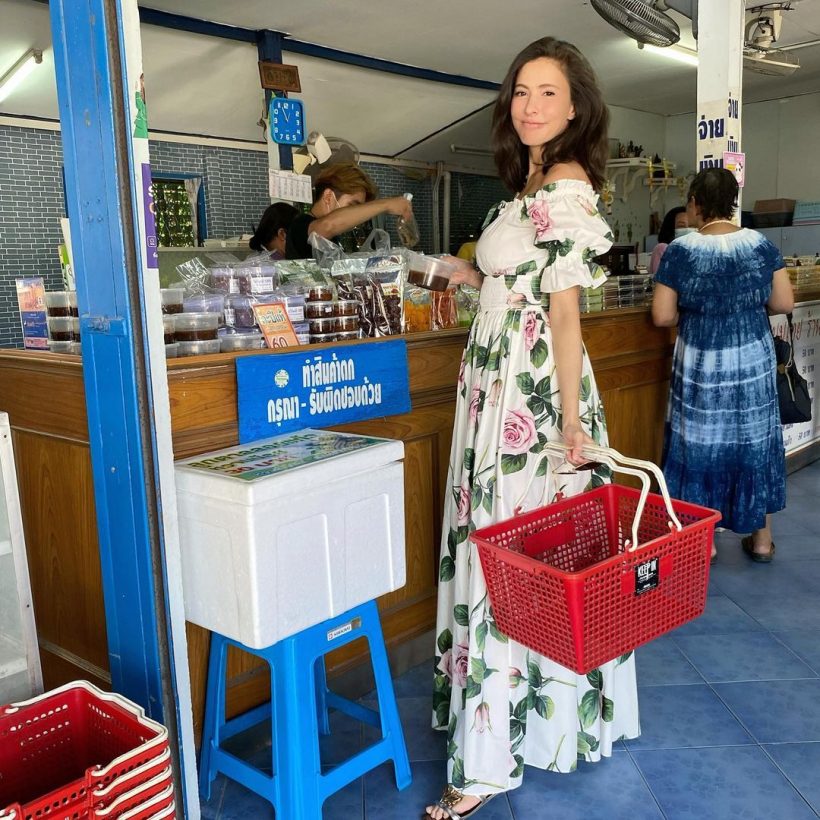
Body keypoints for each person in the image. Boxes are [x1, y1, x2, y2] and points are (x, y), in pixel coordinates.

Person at [425, 37, 640, 820]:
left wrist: (573, 424)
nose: (530, 105)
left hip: (530, 390)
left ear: (576, 106)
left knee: (511, 556)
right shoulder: (530, 182)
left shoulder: (568, 184)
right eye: (521, 90)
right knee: (522, 553)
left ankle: (487, 762)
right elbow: (514, 277)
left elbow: (565, 311)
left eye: (547, 92)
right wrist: (464, 273)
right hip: (496, 381)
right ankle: (535, 722)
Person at [651, 168, 794, 563]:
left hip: (702, 362)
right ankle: (761, 540)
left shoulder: (681, 251)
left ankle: (706, 541)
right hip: (752, 360)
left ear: (695, 203)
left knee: (700, 445)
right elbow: (783, 302)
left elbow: (662, 315)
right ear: (732, 203)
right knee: (755, 442)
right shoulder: (761, 245)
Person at [284, 162, 414, 259]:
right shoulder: (301, 224)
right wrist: (386, 205)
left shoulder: (332, 239)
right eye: (352, 206)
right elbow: (328, 226)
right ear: (328, 197)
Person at [648, 206, 690, 275]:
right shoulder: (663, 249)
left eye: (691, 226)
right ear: (670, 228)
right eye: (681, 226)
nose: (687, 229)